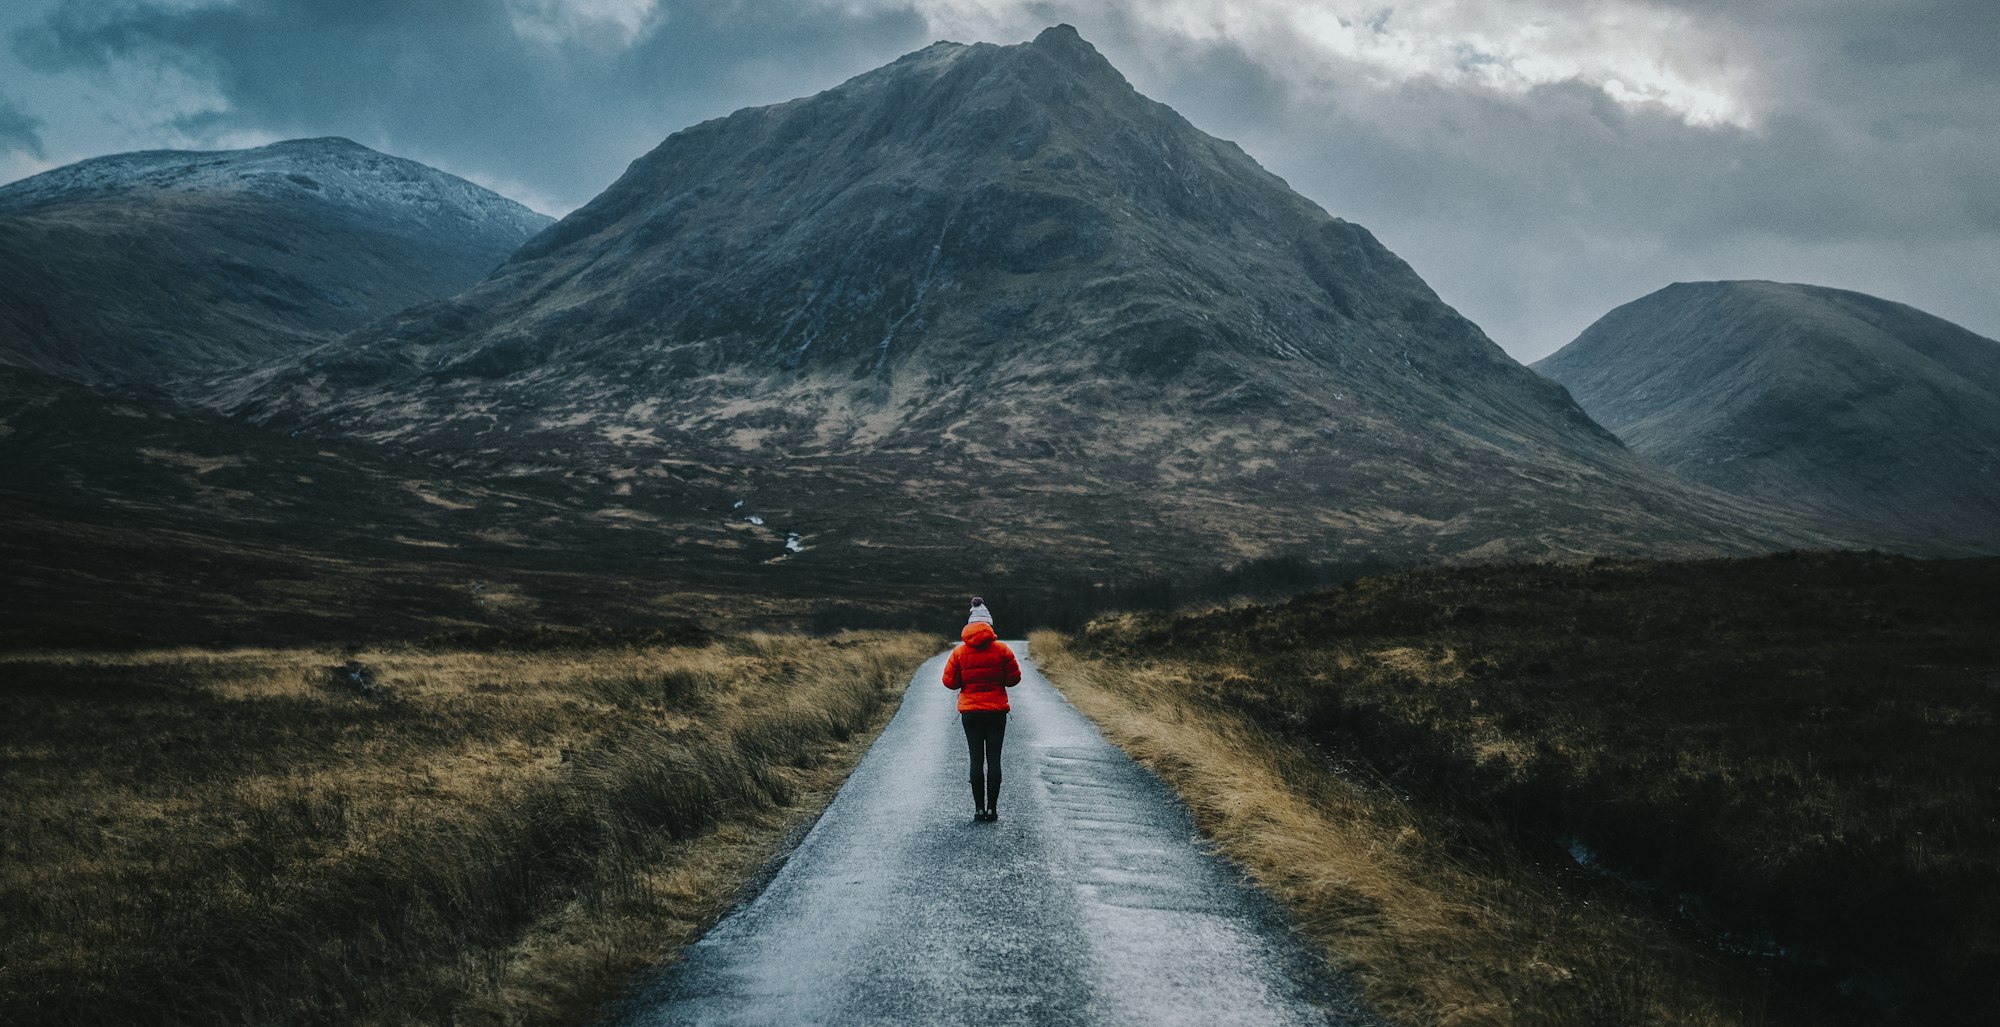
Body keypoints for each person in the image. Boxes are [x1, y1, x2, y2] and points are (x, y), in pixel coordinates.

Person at [942, 620, 1020, 822]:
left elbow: (949, 682)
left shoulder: (960, 652)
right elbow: (1013, 680)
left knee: (976, 759)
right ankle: (992, 809)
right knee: (994, 760)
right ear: (989, 627)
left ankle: (978, 809)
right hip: (996, 712)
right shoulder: (1002, 649)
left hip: (971, 713)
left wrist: (966, 680)